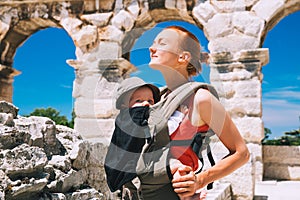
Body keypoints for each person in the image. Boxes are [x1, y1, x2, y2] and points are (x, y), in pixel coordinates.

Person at [136, 25, 250, 199]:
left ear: (183, 57)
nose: (152, 48)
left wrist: (199, 180)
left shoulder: (201, 99)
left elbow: (241, 153)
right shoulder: (157, 98)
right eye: (153, 43)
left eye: (162, 43)